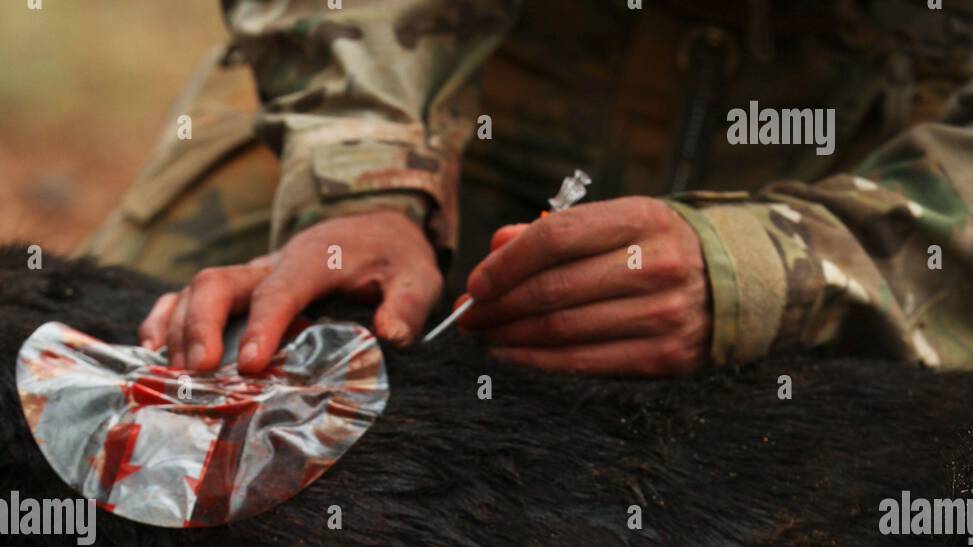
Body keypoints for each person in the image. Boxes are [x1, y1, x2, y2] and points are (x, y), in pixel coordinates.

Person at [84, 0, 973, 376]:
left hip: (876, 151)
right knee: (138, 385)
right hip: (458, 73)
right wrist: (364, 178)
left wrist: (784, 268)